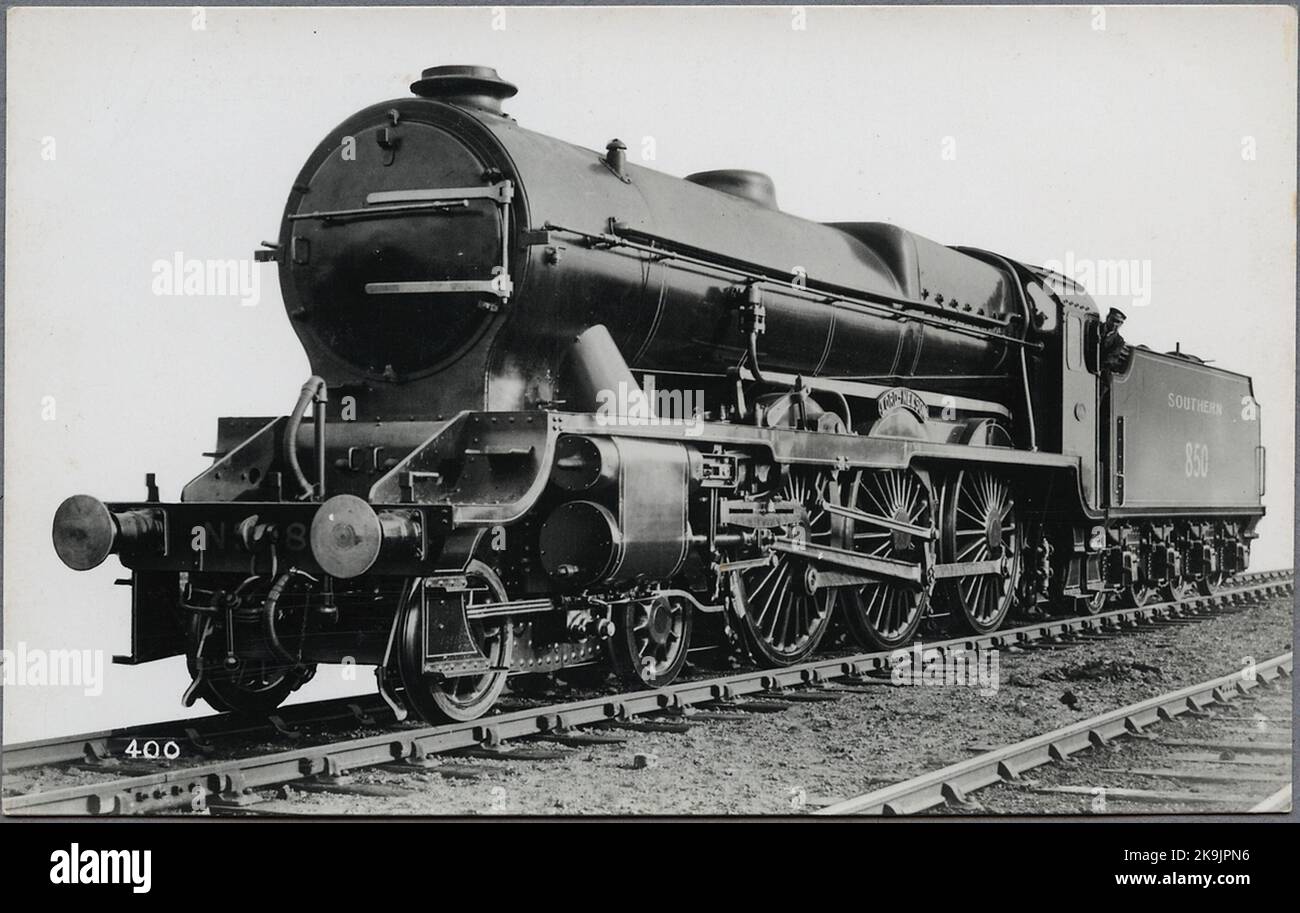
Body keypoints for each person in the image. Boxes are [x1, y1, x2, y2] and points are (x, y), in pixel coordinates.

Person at [1099, 307, 1130, 373]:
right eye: (1113, 320)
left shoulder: (1119, 341)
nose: (1114, 324)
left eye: (1118, 322)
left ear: (1121, 324)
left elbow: (1111, 359)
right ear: (1107, 318)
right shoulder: (1096, 328)